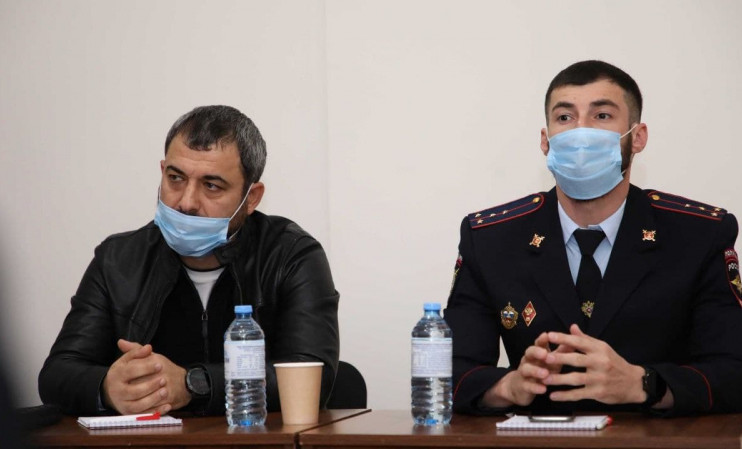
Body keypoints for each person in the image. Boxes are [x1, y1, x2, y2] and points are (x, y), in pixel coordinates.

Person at [445, 60, 742, 417]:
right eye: (565, 118)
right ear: (546, 140)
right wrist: (509, 386)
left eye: (602, 116)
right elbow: (448, 374)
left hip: (655, 438)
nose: (581, 132)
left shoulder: (699, 235)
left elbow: (732, 371)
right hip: (537, 439)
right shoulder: (491, 239)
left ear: (637, 136)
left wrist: (643, 384)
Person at [39, 106, 339, 416]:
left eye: (212, 186)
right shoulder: (117, 260)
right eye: (175, 178)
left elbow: (312, 377)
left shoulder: (291, 255)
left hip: (254, 436)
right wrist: (107, 387)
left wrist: (193, 383)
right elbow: (57, 374)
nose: (186, 202)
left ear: (251, 198)